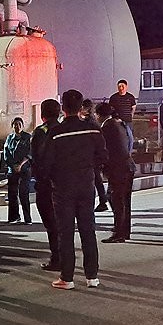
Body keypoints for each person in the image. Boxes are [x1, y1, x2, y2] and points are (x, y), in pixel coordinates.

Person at [39, 89, 107, 289]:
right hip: (86, 185)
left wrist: (54, 178)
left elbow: (45, 164)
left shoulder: (56, 132)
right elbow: (103, 156)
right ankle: (92, 276)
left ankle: (67, 278)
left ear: (63, 107)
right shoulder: (93, 129)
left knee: (66, 232)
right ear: (80, 107)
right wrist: (88, 168)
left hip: (63, 188)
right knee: (88, 230)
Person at [30, 98, 63, 271]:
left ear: (42, 114)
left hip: (46, 185)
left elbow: (37, 159)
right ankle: (65, 256)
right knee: (62, 223)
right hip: (65, 184)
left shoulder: (41, 132)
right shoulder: (64, 129)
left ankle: (56, 258)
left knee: (51, 224)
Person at [95, 102, 134, 243]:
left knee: (116, 200)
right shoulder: (120, 124)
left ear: (99, 115)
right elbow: (130, 142)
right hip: (128, 165)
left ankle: (119, 232)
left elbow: (104, 150)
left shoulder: (107, 127)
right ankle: (124, 230)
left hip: (118, 169)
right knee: (124, 200)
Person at [80, 99, 110, 212]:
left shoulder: (87, 123)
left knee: (93, 180)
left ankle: (101, 201)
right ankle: (103, 200)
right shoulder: (94, 122)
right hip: (96, 155)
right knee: (97, 179)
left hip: (91, 155)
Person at [2, 117, 33, 224]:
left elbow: (30, 153)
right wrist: (12, 165)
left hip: (24, 169)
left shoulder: (27, 137)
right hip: (12, 169)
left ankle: (27, 218)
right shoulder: (9, 138)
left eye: (19, 124)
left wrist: (20, 164)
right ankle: (14, 217)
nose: (17, 127)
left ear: (23, 126)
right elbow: (6, 154)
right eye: (15, 124)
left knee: (24, 193)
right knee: (12, 194)